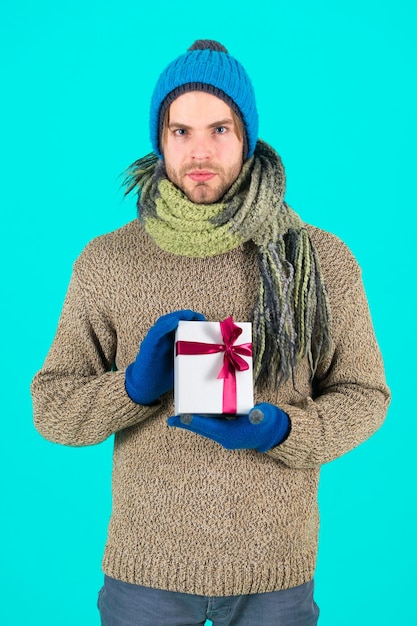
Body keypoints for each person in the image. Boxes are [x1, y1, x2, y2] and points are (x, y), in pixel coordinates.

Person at [31, 40, 390, 626]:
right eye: (181, 131)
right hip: (144, 573)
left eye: (220, 128)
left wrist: (281, 429)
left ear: (247, 135)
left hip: (275, 573)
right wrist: (133, 388)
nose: (200, 151)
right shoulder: (107, 262)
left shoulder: (317, 259)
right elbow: (52, 409)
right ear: (159, 137)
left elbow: (366, 395)